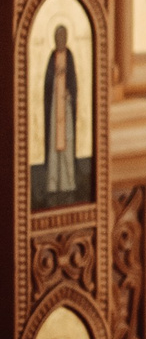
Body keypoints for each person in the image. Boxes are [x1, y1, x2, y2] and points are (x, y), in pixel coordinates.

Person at [42, 22, 76, 206]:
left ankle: (68, 182)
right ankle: (54, 184)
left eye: (63, 37)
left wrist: (69, 92)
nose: (60, 40)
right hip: (55, 106)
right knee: (54, 144)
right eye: (58, 37)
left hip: (66, 105)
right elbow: (47, 84)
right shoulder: (52, 57)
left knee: (67, 141)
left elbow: (73, 80)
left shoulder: (69, 56)